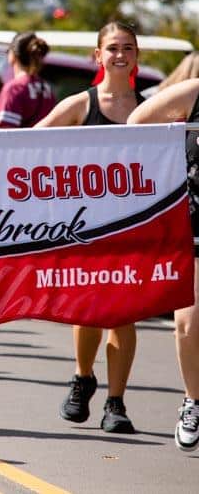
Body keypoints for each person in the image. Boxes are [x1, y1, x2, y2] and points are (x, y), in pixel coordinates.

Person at [35, 21, 143, 434]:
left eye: (127, 47)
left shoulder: (151, 109)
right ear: (98, 55)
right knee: (90, 311)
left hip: (135, 229)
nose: (120, 55)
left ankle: (116, 403)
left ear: (136, 55)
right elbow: (30, 145)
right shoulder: (81, 104)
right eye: (112, 48)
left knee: (124, 315)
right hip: (88, 228)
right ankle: (83, 377)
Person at [125, 78, 199, 450]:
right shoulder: (195, 93)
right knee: (187, 323)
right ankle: (193, 400)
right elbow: (136, 123)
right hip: (194, 227)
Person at [0, 32, 56, 129]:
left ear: (13, 55)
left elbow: (6, 131)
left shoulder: (14, 88)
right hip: (44, 139)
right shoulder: (46, 88)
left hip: (21, 139)